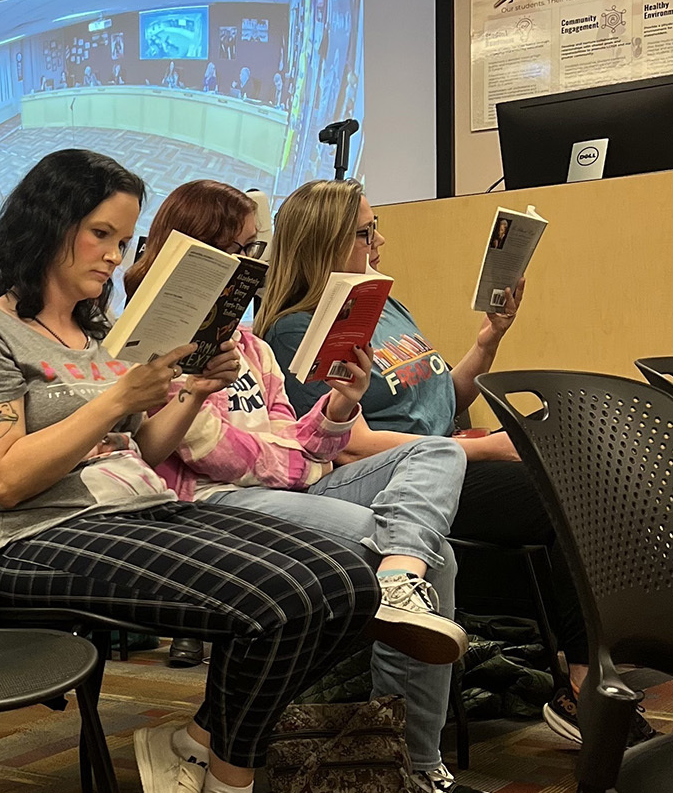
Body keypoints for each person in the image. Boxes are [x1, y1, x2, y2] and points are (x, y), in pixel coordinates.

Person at [0, 150, 380, 793]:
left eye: (124, 239)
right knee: (279, 599)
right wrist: (116, 397)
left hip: (137, 505)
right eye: (100, 234)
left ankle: (199, 742)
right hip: (33, 532)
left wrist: (191, 390)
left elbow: (148, 445)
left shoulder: (99, 333)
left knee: (351, 580)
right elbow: (2, 478)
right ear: (49, 227)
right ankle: (228, 777)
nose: (115, 255)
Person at [255, 179, 656, 748]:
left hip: (449, 457)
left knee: (591, 473)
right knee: (564, 495)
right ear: (326, 240)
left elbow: (443, 398)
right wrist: (486, 449)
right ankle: (583, 686)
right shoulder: (302, 328)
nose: (381, 240)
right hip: (402, 482)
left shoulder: (384, 305)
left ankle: (599, 667)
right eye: (367, 231)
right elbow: (350, 444)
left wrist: (489, 340)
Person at [125, 180, 476, 793]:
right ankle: (413, 763)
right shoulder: (158, 345)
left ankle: (413, 748)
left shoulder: (253, 346)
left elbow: (300, 437)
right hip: (213, 506)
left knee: (442, 451)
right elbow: (209, 452)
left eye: (250, 249)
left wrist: (341, 405)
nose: (247, 266)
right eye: (233, 249)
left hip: (288, 493)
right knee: (433, 556)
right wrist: (299, 458)